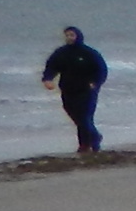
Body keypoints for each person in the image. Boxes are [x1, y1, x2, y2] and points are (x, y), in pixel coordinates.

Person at [41, 26, 107, 155]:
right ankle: (94, 137)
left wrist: (96, 83)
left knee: (84, 117)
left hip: (87, 90)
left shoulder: (89, 53)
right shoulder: (61, 53)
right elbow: (52, 66)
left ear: (78, 36)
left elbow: (101, 69)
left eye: (72, 35)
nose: (69, 38)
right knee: (74, 115)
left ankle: (86, 145)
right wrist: (47, 79)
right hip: (68, 89)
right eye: (67, 35)